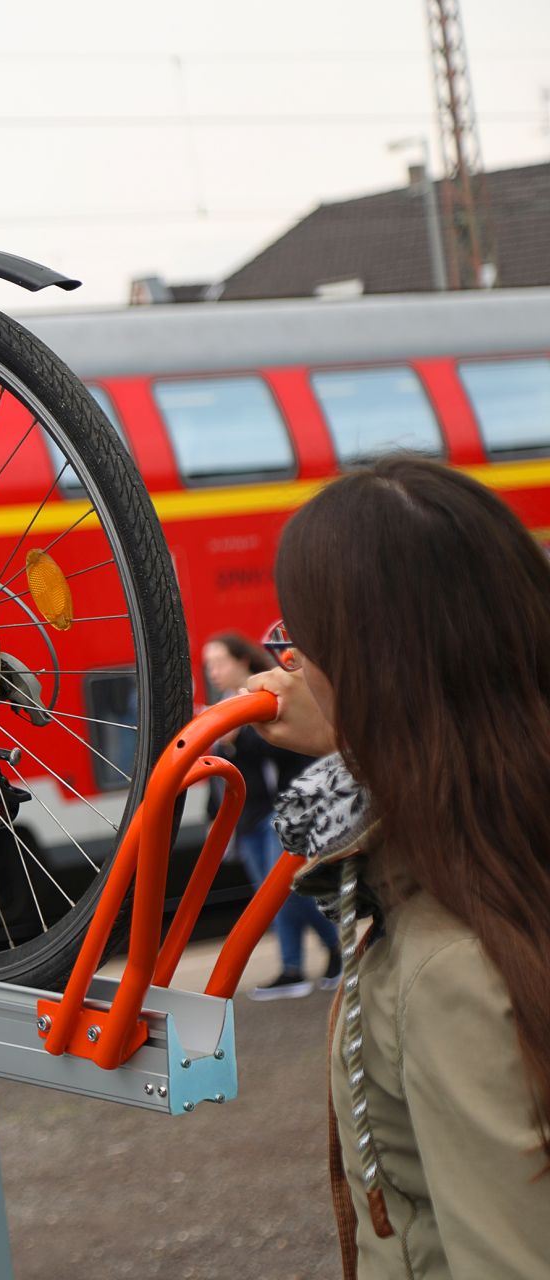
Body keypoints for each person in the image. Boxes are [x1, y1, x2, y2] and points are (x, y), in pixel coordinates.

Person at [242, 456, 550, 1278]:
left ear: (382, 676)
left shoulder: (451, 971)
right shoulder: (505, 860)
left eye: (301, 643)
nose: (285, 666)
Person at [201, 632, 342, 999]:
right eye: (209, 665)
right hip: (246, 817)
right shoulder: (225, 704)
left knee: (279, 895)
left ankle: (313, 960)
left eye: (219, 662)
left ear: (242, 662)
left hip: (272, 812)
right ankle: (310, 961)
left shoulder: (262, 698)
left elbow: (283, 750)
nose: (213, 671)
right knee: (277, 896)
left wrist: (235, 739)